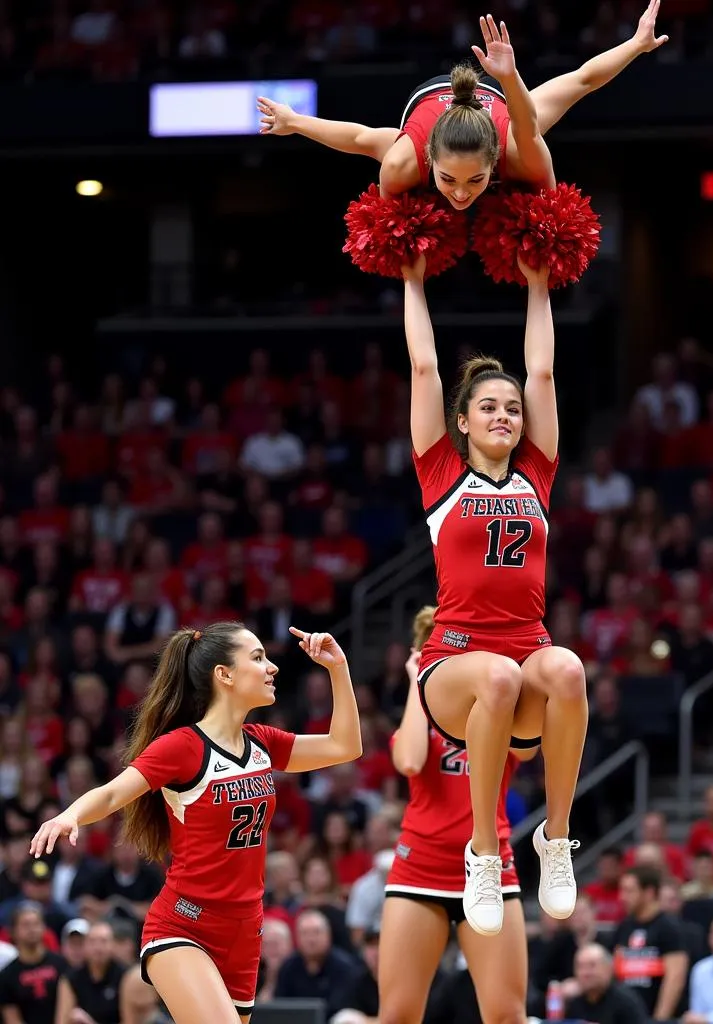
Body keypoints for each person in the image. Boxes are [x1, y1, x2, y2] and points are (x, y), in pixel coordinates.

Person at [29, 621, 362, 1024]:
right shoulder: (184, 746)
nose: (272, 666)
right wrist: (70, 814)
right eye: (257, 658)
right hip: (184, 925)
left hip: (245, 932)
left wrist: (338, 668)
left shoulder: (262, 742)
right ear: (224, 674)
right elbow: (115, 792)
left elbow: (345, 746)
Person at [400, 248, 587, 937]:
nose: (506, 414)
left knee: (566, 666)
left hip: (524, 651)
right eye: (489, 407)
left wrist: (539, 283)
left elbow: (541, 368)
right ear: (464, 422)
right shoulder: (441, 473)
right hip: (456, 661)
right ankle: (484, 849)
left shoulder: (537, 474)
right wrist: (413, 282)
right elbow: (424, 365)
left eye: (512, 408)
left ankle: (556, 840)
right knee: (501, 677)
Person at [257, 1, 668, 209]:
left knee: (535, 119)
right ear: (430, 160)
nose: (458, 194)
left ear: (494, 164)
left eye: (475, 181)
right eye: (449, 179)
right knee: (381, 146)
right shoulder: (405, 160)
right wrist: (295, 121)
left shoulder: (520, 148)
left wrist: (636, 44)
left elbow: (583, 79)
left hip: (499, 100)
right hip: (432, 105)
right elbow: (362, 138)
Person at [381, 604, 535, 1023]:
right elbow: (409, 760)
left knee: (507, 1016)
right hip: (420, 868)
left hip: (490, 867)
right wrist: (418, 683)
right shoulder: (422, 710)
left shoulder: (499, 702)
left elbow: (527, 748)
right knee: (396, 1016)